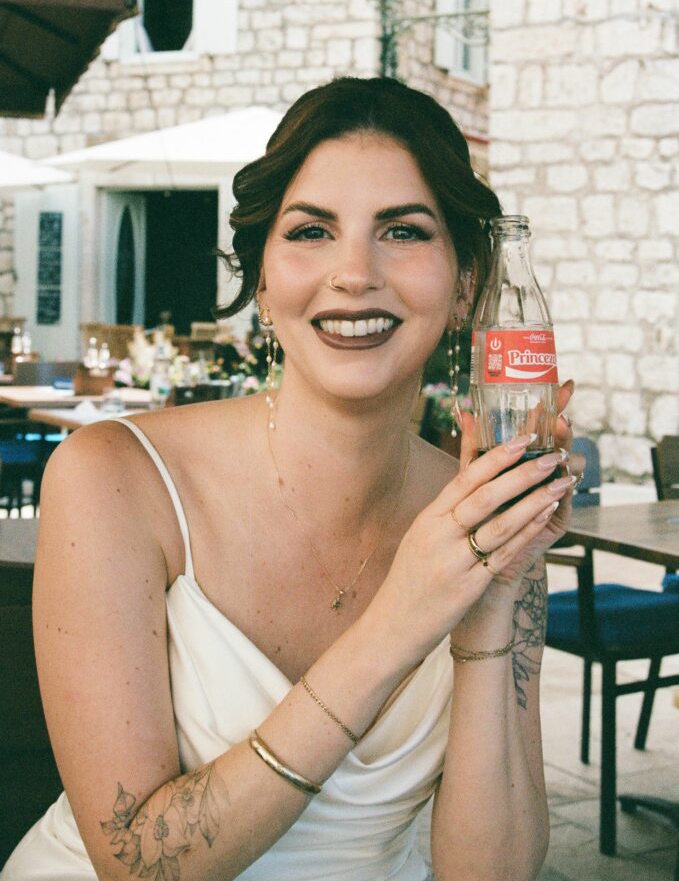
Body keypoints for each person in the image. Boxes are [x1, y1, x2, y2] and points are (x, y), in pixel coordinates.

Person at [2, 77, 581, 881]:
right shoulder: (113, 479)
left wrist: (488, 601)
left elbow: (491, 873)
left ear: (466, 286)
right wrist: (400, 622)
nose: (354, 273)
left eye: (404, 232)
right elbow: (137, 865)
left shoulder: (484, 516)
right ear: (264, 284)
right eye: (310, 230)